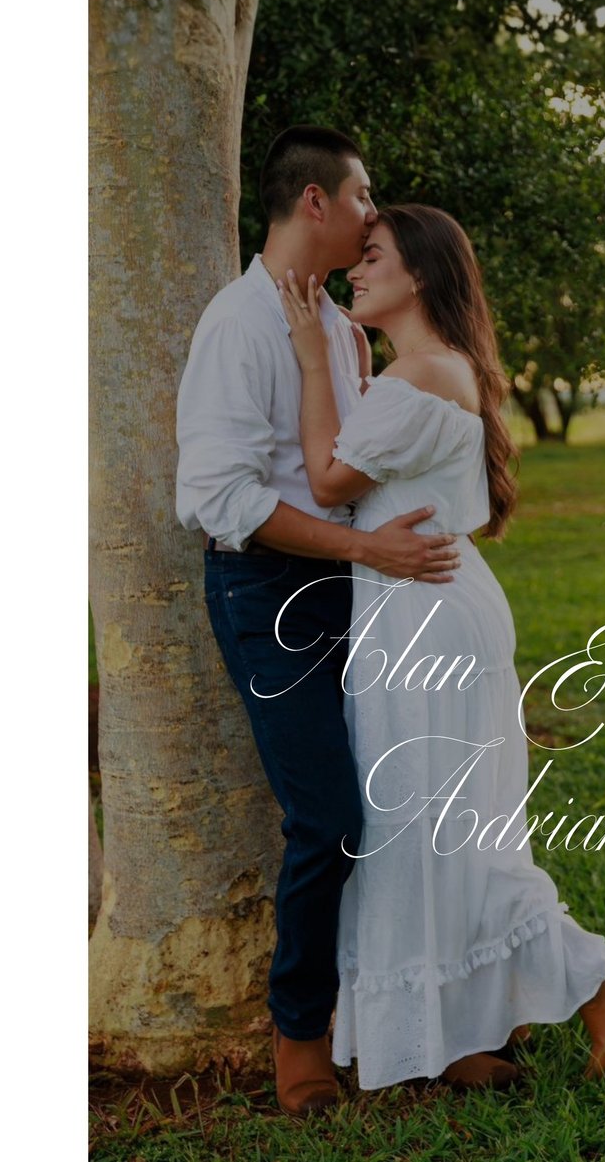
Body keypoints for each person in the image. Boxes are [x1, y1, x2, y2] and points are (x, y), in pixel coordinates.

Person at [273, 203, 605, 1093]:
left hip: (424, 616)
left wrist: (310, 359)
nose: (354, 272)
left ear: (421, 273)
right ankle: (458, 1035)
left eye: (372, 257)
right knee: (432, 833)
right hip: (424, 603)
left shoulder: (427, 374)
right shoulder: (422, 371)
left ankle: (589, 965)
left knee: (427, 832)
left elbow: (330, 479)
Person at [174, 127, 463, 1117]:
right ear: (315, 204)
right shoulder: (239, 323)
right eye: (363, 195)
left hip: (361, 587)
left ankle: (431, 1016)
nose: (374, 213)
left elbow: (350, 464)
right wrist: (363, 550)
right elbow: (220, 497)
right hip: (268, 590)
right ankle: (299, 1030)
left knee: (410, 802)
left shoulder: (339, 328)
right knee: (330, 819)